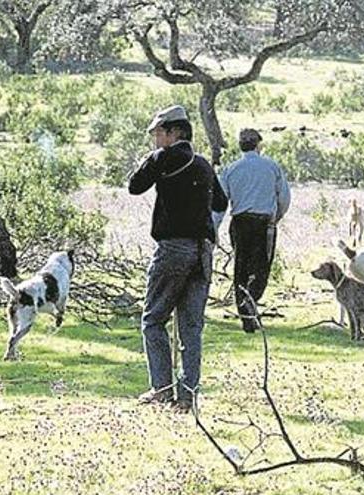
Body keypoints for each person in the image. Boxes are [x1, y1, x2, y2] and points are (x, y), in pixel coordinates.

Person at [127, 105, 228, 412]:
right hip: (202, 252)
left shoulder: (162, 158)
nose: (155, 139)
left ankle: (161, 388)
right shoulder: (202, 165)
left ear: (173, 133)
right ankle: (187, 396)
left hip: (172, 249)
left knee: (153, 320)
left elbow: (135, 186)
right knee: (191, 327)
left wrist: (151, 160)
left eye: (158, 133)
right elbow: (221, 202)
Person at [219, 128, 291, 332]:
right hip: (263, 224)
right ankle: (250, 301)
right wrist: (276, 217)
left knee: (240, 267)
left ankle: (246, 314)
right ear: (259, 144)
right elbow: (284, 197)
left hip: (239, 223)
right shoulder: (271, 167)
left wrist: (214, 228)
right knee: (261, 267)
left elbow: (220, 202)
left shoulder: (231, 169)